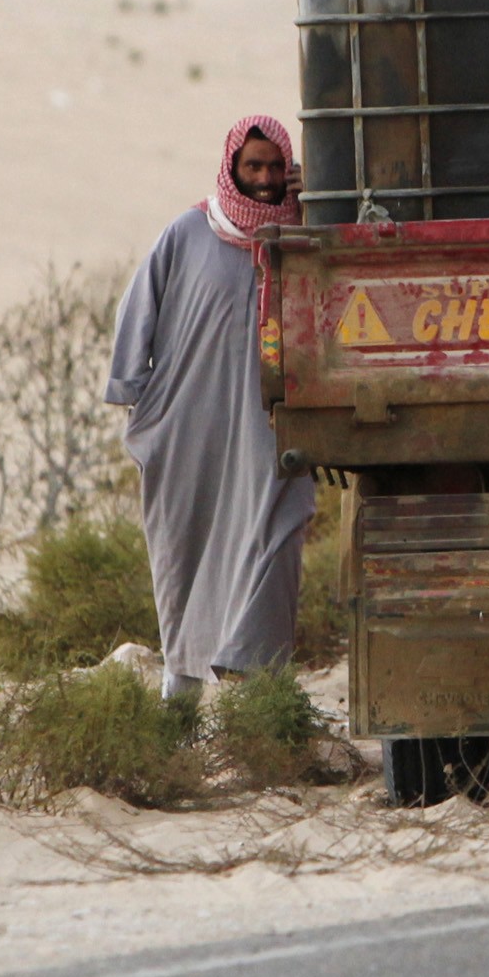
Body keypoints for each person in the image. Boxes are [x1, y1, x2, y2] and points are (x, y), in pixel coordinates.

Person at [106, 115, 317, 707]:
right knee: (186, 556)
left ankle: (262, 703)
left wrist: (315, 201)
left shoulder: (301, 238)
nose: (266, 180)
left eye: (276, 167)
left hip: (267, 432)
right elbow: (137, 313)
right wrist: (136, 402)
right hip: (189, 429)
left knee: (279, 537)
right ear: (232, 168)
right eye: (254, 167)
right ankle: (181, 697)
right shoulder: (188, 232)